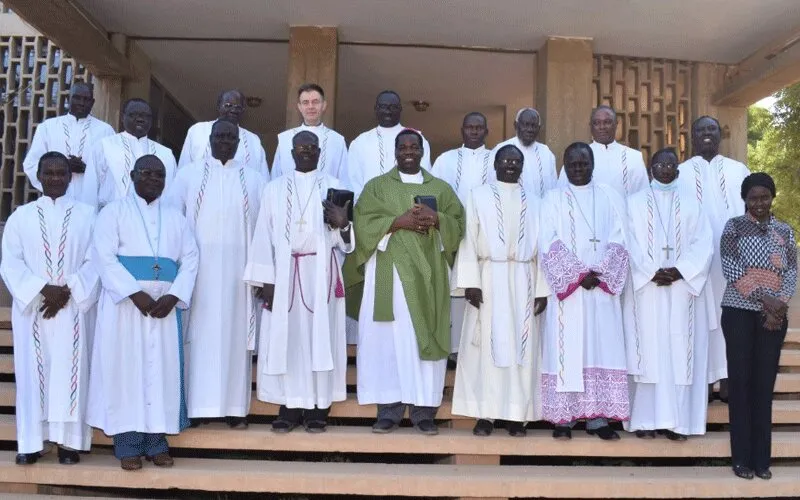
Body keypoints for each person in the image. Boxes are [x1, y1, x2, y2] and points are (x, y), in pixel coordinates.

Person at [345, 129, 464, 435]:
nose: (408, 151)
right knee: (387, 342)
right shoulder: (377, 187)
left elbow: (459, 224)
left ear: (423, 151)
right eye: (403, 147)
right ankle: (389, 409)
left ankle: (424, 410)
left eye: (414, 146)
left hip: (429, 278)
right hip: (388, 275)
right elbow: (362, 222)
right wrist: (398, 222)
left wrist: (436, 219)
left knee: (421, 339)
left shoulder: (440, 188)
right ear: (394, 152)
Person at [87, 155, 199, 470]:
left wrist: (174, 294)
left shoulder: (175, 216)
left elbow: (190, 258)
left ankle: (156, 442)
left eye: (160, 175)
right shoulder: (113, 212)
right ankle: (128, 444)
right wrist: (134, 293)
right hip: (125, 306)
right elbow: (103, 256)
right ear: (133, 175)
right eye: (147, 173)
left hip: (164, 307)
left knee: (160, 372)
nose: (154, 179)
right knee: (126, 371)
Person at [244, 131, 353, 433]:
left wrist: (343, 226)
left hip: (321, 270)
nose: (306, 152)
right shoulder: (274, 189)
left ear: (320, 152)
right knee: (287, 338)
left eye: (311, 148)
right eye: (300, 148)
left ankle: (319, 406)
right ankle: (289, 405)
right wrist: (265, 280)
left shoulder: (336, 187)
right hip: (284, 271)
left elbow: (345, 240)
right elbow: (263, 234)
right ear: (291, 153)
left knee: (321, 336)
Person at [1, 152, 98, 465]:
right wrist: (44, 290)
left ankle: (69, 444)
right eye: (49, 173)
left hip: (73, 308)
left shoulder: (89, 215)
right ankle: (30, 443)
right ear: (38, 177)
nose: (55, 178)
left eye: (61, 173)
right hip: (34, 310)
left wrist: (67, 290)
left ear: (71, 178)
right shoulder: (21, 217)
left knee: (72, 372)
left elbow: (96, 261)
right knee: (33, 374)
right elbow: (10, 262)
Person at [168, 119, 265, 429]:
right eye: (219, 136)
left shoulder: (253, 178)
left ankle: (235, 407)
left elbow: (265, 229)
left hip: (241, 272)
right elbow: (173, 223)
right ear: (209, 139)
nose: (225, 141)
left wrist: (262, 273)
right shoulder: (187, 176)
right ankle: (197, 406)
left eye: (231, 137)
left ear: (239, 142)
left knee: (236, 338)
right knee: (197, 336)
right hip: (199, 272)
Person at [450, 144, 548, 437]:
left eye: (515, 161)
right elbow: (468, 238)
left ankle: (517, 416)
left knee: (522, 349)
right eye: (505, 160)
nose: (510, 165)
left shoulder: (536, 201)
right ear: (495, 164)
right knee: (486, 351)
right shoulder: (478, 195)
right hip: (489, 276)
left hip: (523, 278)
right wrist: (471, 283)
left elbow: (543, 246)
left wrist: (542, 288)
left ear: (522, 167)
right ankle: (485, 415)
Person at [538, 142, 630, 441]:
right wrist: (577, 275)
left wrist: (599, 273)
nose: (578, 168)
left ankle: (597, 418)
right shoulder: (551, 199)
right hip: (569, 292)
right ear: (565, 166)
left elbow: (621, 237)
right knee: (566, 351)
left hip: (601, 290)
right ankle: (564, 418)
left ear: (592, 164)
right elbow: (546, 240)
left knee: (600, 349)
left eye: (584, 163)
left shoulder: (610, 197)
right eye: (573, 164)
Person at [624, 148, 716, 440]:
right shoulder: (633, 204)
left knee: (679, 354)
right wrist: (650, 270)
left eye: (671, 164)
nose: (665, 168)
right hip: (646, 291)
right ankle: (644, 421)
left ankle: (678, 423)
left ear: (678, 170)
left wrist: (680, 271)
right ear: (651, 168)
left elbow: (704, 243)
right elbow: (626, 240)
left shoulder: (693, 205)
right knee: (647, 352)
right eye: (660, 164)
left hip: (682, 292)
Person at [719, 173, 796, 480]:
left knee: (763, 388)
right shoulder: (733, 228)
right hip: (738, 312)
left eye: (764, 197)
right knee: (740, 385)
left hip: (774, 317)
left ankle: (762, 460)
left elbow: (791, 271)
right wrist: (765, 298)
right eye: (754, 198)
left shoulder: (785, 231)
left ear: (772, 197)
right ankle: (741, 460)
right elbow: (730, 266)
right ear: (745, 200)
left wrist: (779, 304)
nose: (759, 203)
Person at [678, 115, 751, 402]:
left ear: (720, 134)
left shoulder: (739, 170)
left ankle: (729, 379)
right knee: (698, 320)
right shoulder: (680, 172)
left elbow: (752, 211)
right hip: (695, 266)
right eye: (700, 130)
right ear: (691, 136)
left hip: (731, 264)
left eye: (712, 129)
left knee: (732, 320)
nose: (706, 134)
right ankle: (702, 382)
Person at [432, 112, 493, 357]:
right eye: (470, 127)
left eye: (480, 127)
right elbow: (433, 193)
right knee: (451, 291)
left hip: (485, 241)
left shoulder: (496, 159)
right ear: (462, 130)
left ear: (487, 132)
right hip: (450, 235)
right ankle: (453, 350)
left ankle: (477, 350)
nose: (475, 131)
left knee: (480, 292)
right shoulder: (446, 159)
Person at [22, 81, 115, 206]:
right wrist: (62, 167)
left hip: (90, 202)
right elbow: (31, 164)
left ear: (92, 102)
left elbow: (113, 171)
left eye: (86, 99)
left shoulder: (105, 130)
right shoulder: (47, 127)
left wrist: (88, 170)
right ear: (68, 98)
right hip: (55, 200)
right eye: (77, 98)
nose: (81, 103)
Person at [345, 90, 432, 198]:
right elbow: (353, 182)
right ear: (376, 109)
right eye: (383, 106)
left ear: (400, 109)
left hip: (408, 207)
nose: (388, 111)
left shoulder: (416, 139)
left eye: (393, 107)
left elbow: (423, 178)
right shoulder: (360, 142)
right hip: (371, 208)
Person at [94, 99, 177, 208]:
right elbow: (91, 189)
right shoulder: (104, 146)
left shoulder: (166, 154)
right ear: (122, 117)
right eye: (133, 115)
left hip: (153, 219)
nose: (140, 119)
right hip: (113, 218)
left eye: (146, 116)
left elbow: (173, 195)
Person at [178, 89, 270, 180]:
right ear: (218, 106)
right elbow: (183, 169)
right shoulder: (198, 130)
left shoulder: (253, 140)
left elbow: (263, 180)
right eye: (228, 105)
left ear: (243, 111)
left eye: (238, 107)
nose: (233, 110)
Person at [558, 105, 647, 199]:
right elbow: (563, 193)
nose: (602, 127)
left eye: (607, 122)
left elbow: (642, 196)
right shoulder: (577, 155)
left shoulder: (633, 157)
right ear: (590, 126)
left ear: (616, 124)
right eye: (596, 123)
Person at [272, 83, 348, 180]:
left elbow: (344, 180)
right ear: (299, 107)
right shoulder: (285, 139)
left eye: (315, 102)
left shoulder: (337, 140)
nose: (310, 106)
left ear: (324, 105)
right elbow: (275, 178)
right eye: (305, 102)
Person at [492, 108, 557, 198]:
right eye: (525, 125)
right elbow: (492, 182)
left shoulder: (546, 152)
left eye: (534, 126)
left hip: (540, 209)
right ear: (516, 125)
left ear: (539, 128)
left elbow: (553, 185)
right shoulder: (501, 149)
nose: (530, 129)